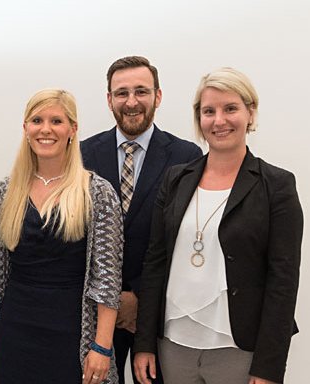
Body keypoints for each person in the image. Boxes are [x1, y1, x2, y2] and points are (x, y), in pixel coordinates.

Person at [133, 68, 302, 384]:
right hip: (173, 345)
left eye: (230, 109)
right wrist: (143, 343)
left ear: (250, 113)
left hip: (238, 350)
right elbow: (154, 263)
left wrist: (268, 367)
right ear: (199, 119)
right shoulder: (176, 179)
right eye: (209, 111)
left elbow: (283, 281)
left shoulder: (276, 185)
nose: (219, 120)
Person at [0, 89, 124, 384]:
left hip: (72, 333)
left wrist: (101, 346)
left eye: (56, 121)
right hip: (14, 330)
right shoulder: (7, 191)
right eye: (37, 120)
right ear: (26, 128)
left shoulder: (97, 192)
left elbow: (107, 280)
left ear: (73, 129)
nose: (46, 129)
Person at [81, 55, 202, 382]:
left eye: (141, 91)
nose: (131, 102)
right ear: (109, 100)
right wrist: (113, 297)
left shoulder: (187, 157)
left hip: (161, 315)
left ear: (157, 96)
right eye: (121, 93)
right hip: (95, 316)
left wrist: (138, 297)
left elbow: (184, 240)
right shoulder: (80, 156)